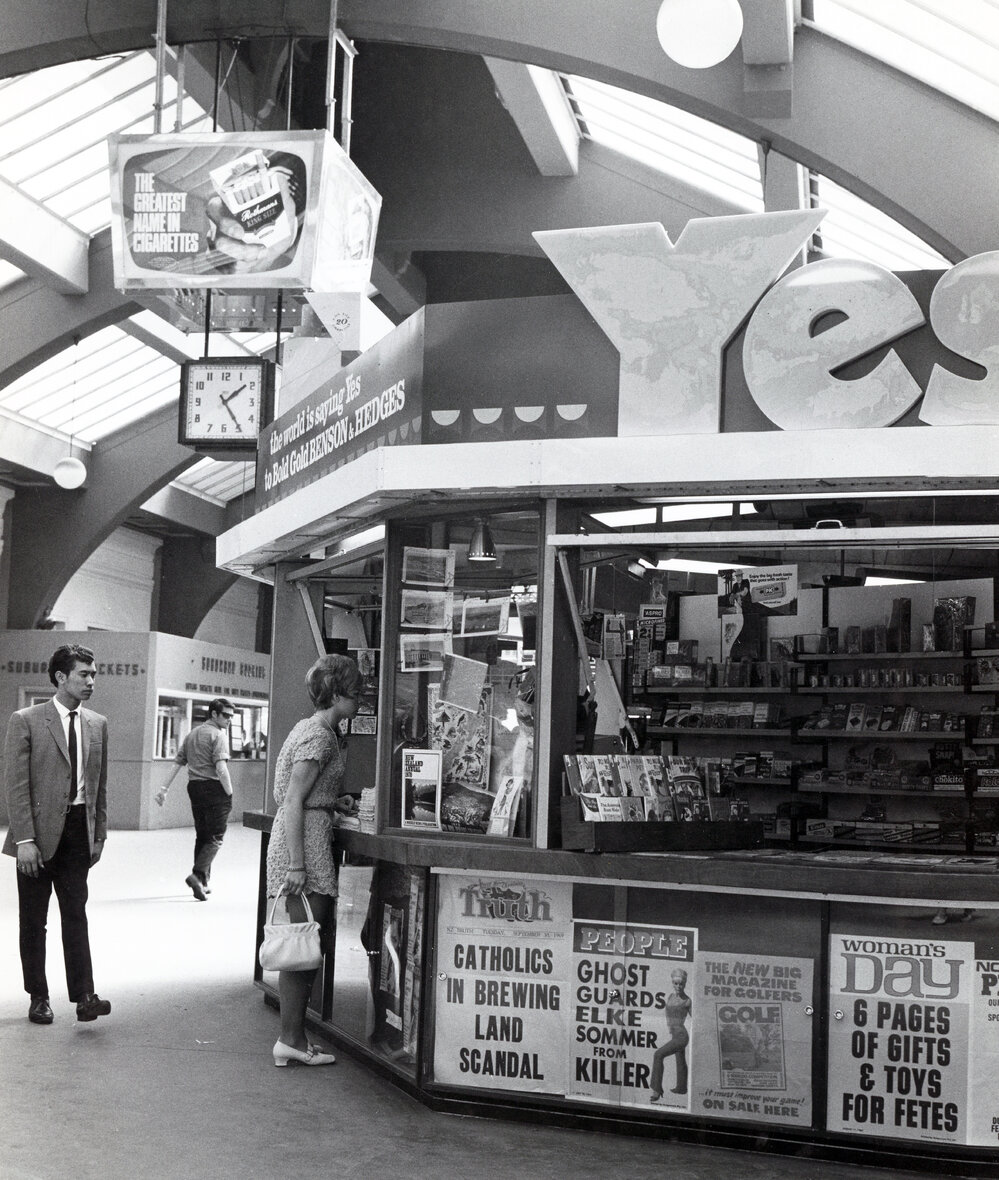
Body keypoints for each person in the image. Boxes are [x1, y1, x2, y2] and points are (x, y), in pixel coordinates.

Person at [2, 644, 111, 1024]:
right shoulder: (27, 719)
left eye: (93, 674)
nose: (91, 681)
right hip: (37, 836)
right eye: (84, 674)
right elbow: (16, 787)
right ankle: (38, 996)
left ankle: (84, 996)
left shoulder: (97, 724)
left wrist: (99, 834)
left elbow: (100, 785)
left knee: (75, 914)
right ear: (61, 677)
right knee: (34, 920)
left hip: (79, 833)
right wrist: (24, 841)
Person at [266, 653, 361, 1067]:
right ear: (337, 694)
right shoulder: (319, 737)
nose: (360, 699)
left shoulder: (314, 729)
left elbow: (300, 794)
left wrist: (330, 801)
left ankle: (294, 1037)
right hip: (303, 844)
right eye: (355, 693)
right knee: (304, 942)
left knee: (304, 941)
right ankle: (290, 1038)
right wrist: (298, 865)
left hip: (307, 837)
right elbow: (291, 800)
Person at [155, 698, 235, 901]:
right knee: (216, 836)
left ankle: (203, 882)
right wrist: (229, 792)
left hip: (195, 788)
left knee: (203, 835)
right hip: (214, 788)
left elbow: (177, 764)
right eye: (225, 715)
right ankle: (197, 874)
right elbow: (221, 768)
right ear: (214, 714)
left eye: (231, 716)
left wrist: (163, 789)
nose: (229, 720)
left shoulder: (191, 734)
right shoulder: (218, 735)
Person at [650, 968, 692, 1101]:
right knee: (680, 1059)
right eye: (675, 983)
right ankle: (681, 1087)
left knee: (658, 1055)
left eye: (681, 984)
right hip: (674, 1034)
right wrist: (669, 1028)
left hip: (681, 1035)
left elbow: (696, 1019)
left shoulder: (687, 1001)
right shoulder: (670, 996)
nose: (678, 986)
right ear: (672, 983)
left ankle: (656, 1090)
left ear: (684, 984)